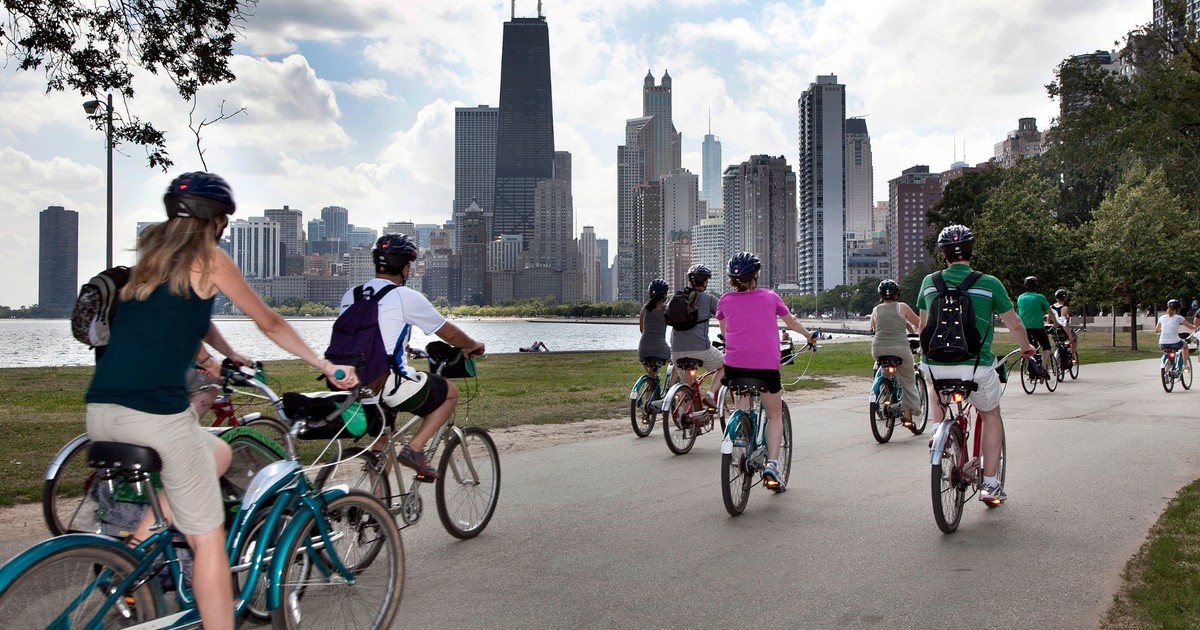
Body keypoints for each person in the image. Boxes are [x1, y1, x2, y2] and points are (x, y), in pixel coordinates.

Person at [84, 172, 358, 630]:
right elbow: (269, 322)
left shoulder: (151, 262)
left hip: (102, 413)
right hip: (155, 416)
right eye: (225, 222)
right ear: (215, 221)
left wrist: (215, 357)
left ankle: (132, 551)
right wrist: (325, 364)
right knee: (208, 541)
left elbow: (181, 321)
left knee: (218, 452)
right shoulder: (209, 258)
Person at [345, 233, 485, 481]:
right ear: (406, 267)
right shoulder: (404, 296)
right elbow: (449, 333)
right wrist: (474, 345)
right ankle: (415, 449)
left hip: (353, 383)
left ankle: (375, 502)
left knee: (383, 441)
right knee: (450, 393)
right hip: (388, 383)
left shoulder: (352, 295)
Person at [918, 225, 1035, 505]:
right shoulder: (990, 283)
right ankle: (991, 485)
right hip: (975, 367)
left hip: (936, 365)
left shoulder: (929, 282)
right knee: (991, 415)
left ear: (943, 255)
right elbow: (1015, 323)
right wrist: (1026, 347)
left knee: (935, 382)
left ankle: (937, 428)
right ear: (971, 252)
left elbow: (923, 327)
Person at [716, 252, 816, 493]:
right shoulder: (770, 297)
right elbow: (791, 322)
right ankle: (772, 464)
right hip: (766, 368)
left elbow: (725, 332)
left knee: (741, 403)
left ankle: (741, 432)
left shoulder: (724, 301)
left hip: (735, 366)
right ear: (756, 275)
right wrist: (808, 335)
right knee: (774, 414)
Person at [670, 264, 724, 408]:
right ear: (705, 282)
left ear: (689, 281)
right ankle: (710, 395)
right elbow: (725, 315)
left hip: (676, 351)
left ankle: (683, 415)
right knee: (727, 364)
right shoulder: (709, 299)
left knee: (687, 386)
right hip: (700, 349)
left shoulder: (676, 298)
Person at [870, 279, 921, 427]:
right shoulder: (902, 307)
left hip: (878, 349)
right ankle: (907, 413)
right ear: (897, 294)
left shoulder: (876, 310)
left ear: (880, 295)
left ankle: (885, 392)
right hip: (900, 349)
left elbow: (874, 328)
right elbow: (919, 324)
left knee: (885, 371)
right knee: (908, 380)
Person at [1016, 276, 1063, 379]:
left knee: (1029, 348)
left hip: (1024, 328)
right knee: (1046, 347)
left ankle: (1031, 368)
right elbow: (1050, 312)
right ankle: (1043, 368)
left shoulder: (1020, 298)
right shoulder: (1040, 297)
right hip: (1037, 327)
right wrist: (1055, 323)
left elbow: (1019, 311)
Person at [638, 279, 672, 380]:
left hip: (643, 350)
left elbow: (641, 330)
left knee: (652, 377)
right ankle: (671, 385)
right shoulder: (666, 310)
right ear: (665, 295)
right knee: (678, 359)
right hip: (660, 349)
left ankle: (651, 384)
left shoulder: (644, 310)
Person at [1155, 298, 1195, 370]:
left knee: (1167, 352)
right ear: (1178, 309)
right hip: (1175, 342)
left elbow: (1156, 329)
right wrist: (1196, 327)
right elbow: (1191, 327)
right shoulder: (1179, 318)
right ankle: (1185, 365)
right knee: (1185, 345)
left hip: (1162, 343)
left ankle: (1166, 366)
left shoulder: (1162, 317)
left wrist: (1159, 331)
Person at [1050, 289, 1077, 363]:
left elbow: (1048, 320)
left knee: (1058, 345)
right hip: (1063, 331)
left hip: (1054, 331)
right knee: (1074, 338)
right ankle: (1073, 355)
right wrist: (1070, 335)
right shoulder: (1064, 308)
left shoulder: (1051, 307)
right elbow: (1063, 322)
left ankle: (1058, 361)